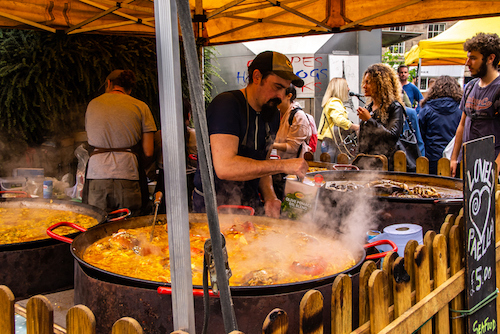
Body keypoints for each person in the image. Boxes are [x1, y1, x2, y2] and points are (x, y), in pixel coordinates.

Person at [192, 51, 309, 218]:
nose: (281, 96)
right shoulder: (227, 105)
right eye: (277, 87)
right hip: (214, 207)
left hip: (250, 202)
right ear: (257, 77)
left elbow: (263, 164)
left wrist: (270, 197)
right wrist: (283, 165)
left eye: (285, 89)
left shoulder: (272, 114)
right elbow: (225, 167)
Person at [84, 69, 157, 215]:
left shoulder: (93, 104)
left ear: (109, 83)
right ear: (129, 89)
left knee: (98, 226)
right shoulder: (140, 106)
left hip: (97, 174)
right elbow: (149, 151)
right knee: (128, 226)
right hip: (128, 173)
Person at [450, 32, 500, 178]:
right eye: (468, 58)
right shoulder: (470, 86)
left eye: (473, 58)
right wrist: (454, 158)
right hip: (469, 164)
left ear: (491, 58)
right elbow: (462, 125)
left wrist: (496, 168)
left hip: (490, 167)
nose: (467, 63)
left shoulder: (498, 89)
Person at [357, 63, 404, 170]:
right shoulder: (369, 108)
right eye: (364, 82)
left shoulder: (395, 107)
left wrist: (369, 120)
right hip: (366, 166)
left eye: (368, 82)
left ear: (380, 84)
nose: (364, 86)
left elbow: (392, 137)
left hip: (385, 166)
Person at [272, 84, 311, 199]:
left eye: (278, 92)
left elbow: (292, 147)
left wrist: (270, 145)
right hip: (280, 167)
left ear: (289, 96)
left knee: (290, 202)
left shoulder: (298, 116)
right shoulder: (278, 114)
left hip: (292, 172)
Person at [418, 76, 462, 174]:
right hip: (454, 159)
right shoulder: (461, 109)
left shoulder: (426, 109)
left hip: (432, 159)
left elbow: (420, 134)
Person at [317, 78, 359, 162]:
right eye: (346, 86)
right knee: (332, 171)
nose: (349, 89)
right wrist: (355, 127)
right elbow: (339, 120)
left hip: (328, 143)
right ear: (340, 88)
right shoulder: (335, 102)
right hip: (332, 144)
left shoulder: (331, 102)